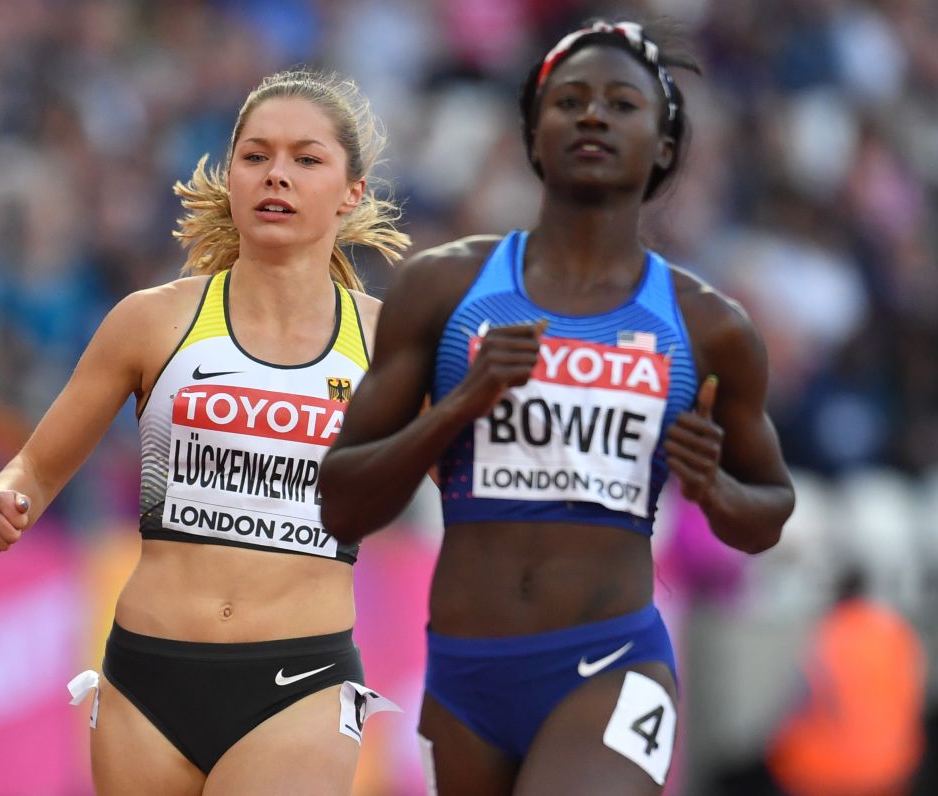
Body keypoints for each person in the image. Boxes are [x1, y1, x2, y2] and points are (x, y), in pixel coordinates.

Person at [319, 20, 796, 795]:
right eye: (568, 101)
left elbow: (769, 512)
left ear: (665, 145)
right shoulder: (446, 291)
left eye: (621, 103)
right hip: (467, 676)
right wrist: (456, 409)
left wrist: (714, 489)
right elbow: (340, 504)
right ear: (535, 138)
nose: (593, 116)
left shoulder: (708, 326)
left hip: (614, 663)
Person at [0, 69, 409, 795]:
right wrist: (8, 495)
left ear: (352, 191)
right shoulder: (152, 320)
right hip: (147, 680)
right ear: (229, 176)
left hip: (300, 681)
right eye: (256, 155)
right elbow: (36, 469)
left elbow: (472, 476)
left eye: (307, 158)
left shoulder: (390, 343)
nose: (278, 176)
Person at [765, 566, 926, 796]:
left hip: (823, 772)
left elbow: (797, 702)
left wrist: (773, 747)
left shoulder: (828, 633)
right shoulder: (897, 633)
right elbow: (914, 697)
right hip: (891, 768)